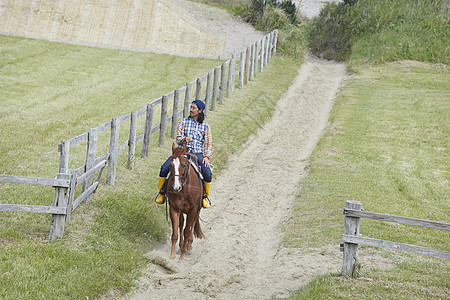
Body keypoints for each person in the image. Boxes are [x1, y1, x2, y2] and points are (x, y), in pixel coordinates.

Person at [155, 99, 213, 208]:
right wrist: (184, 139)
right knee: (164, 168)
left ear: (200, 111)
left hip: (197, 153)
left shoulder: (205, 126)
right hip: (181, 152)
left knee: (207, 172)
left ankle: (205, 196)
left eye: (193, 108)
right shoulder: (183, 122)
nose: (191, 110)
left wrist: (206, 156)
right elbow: (178, 139)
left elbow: (209, 143)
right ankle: (161, 193)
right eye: (191, 107)